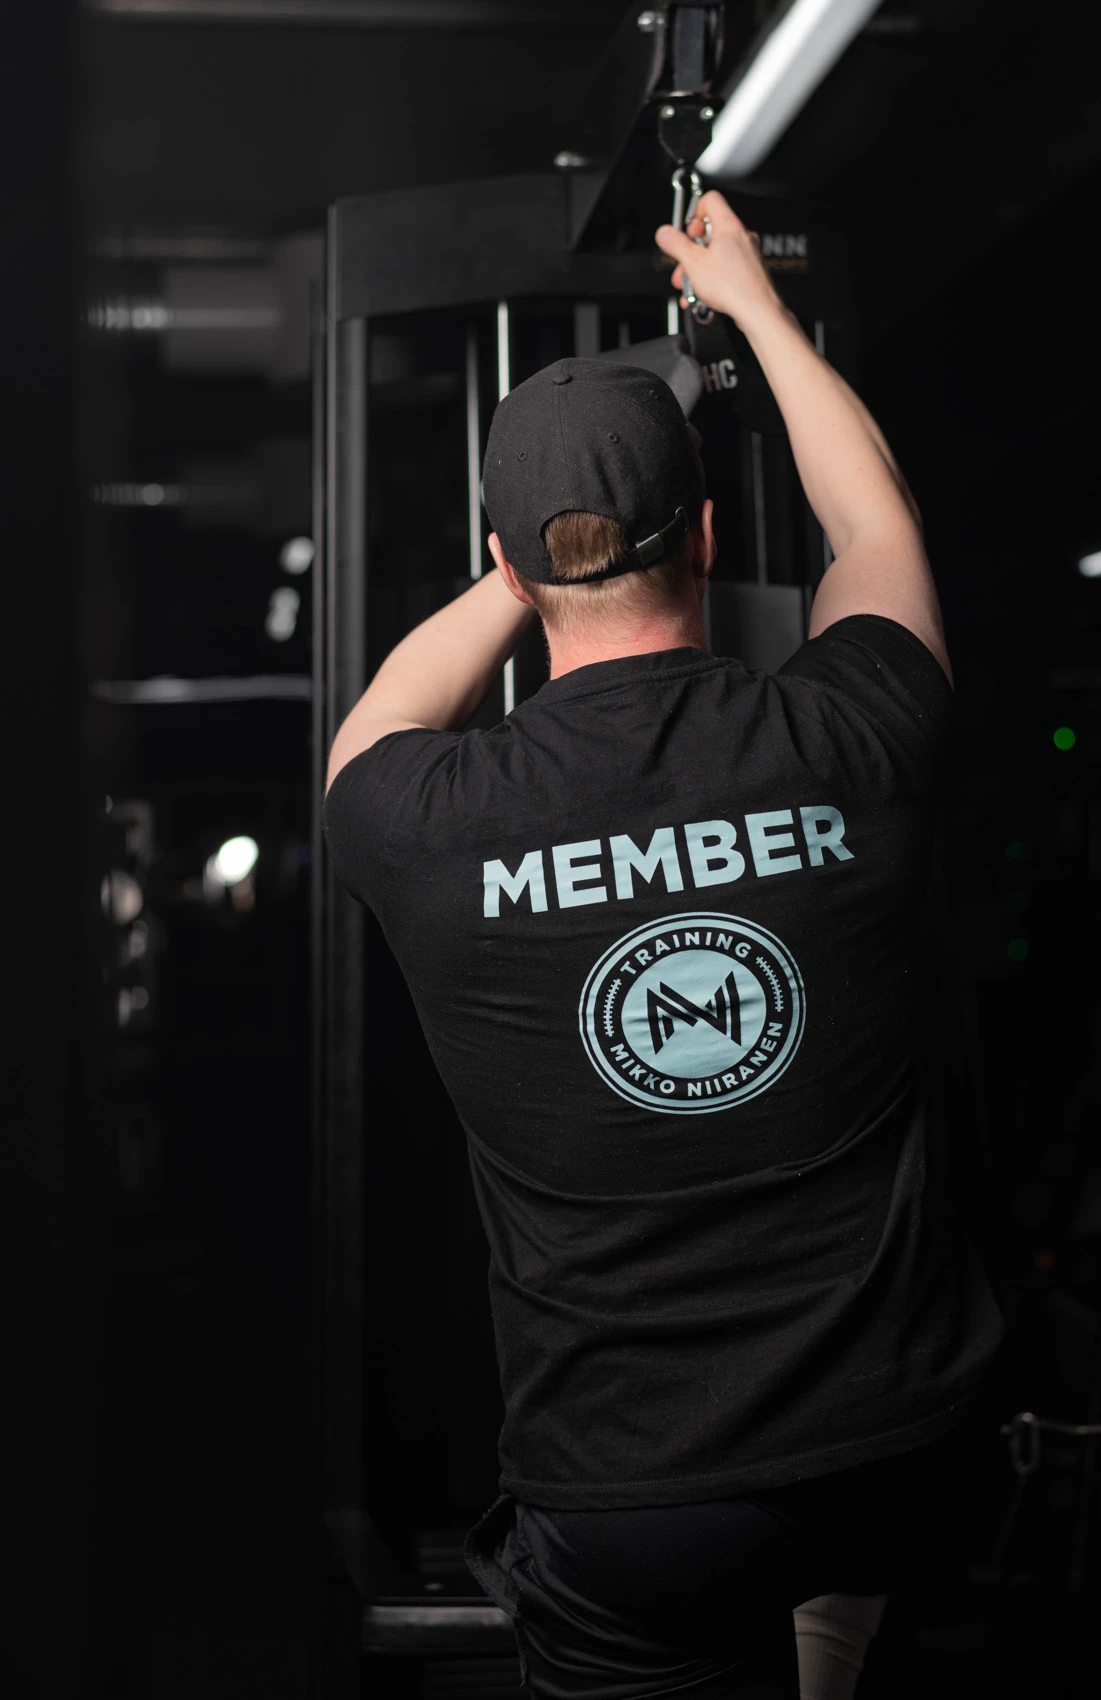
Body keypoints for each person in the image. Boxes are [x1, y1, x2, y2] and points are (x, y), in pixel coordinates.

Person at [323, 191, 1002, 1700]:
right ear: (705, 533)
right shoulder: (849, 737)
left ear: (508, 567)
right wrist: (756, 309)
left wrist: (532, 566)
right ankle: (825, 1633)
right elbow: (874, 523)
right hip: (900, 1449)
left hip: (639, 1502)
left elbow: (377, 718)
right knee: (855, 1554)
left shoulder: (420, 824)